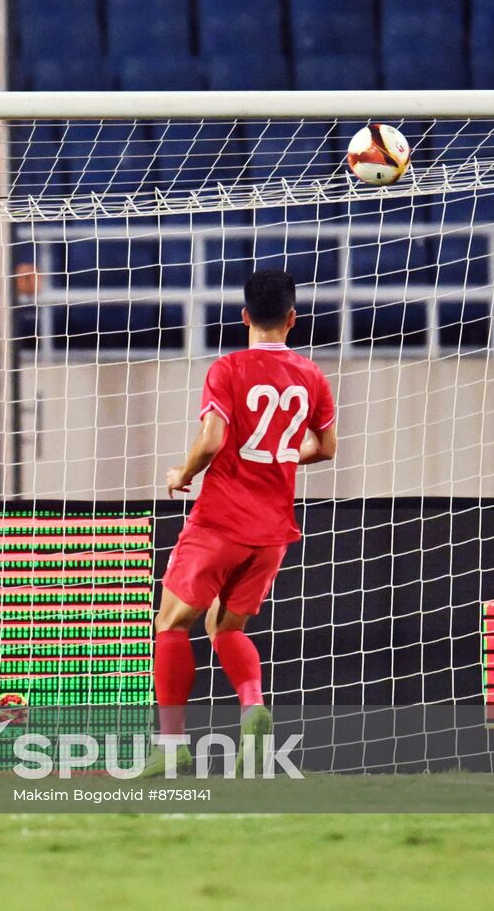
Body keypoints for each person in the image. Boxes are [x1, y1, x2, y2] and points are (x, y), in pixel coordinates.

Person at [141, 270, 337, 777]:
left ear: (245, 315)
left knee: (170, 623)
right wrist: (280, 455)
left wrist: (182, 474)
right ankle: (253, 705)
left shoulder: (228, 368)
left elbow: (210, 439)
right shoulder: (312, 377)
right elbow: (326, 448)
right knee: (224, 626)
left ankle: (170, 747)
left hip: (220, 521)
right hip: (272, 531)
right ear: (293, 319)